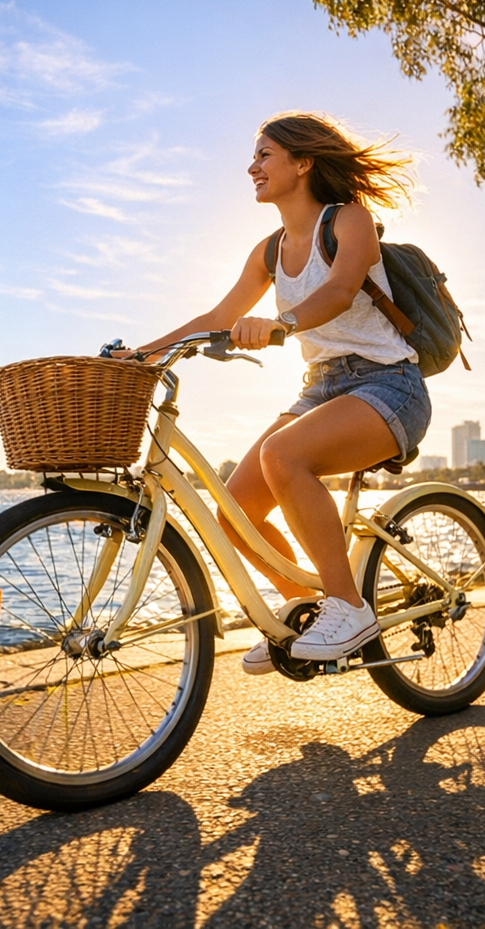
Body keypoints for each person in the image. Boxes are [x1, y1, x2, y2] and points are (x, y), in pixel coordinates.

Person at [125, 112, 430, 672]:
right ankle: (308, 609)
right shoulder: (269, 249)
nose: (252, 166)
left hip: (390, 384)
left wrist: (282, 324)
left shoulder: (349, 221)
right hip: (322, 389)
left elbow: (340, 289)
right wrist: (141, 355)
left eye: (264, 155)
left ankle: (349, 607)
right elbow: (217, 315)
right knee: (234, 510)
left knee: (281, 455)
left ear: (303, 162)